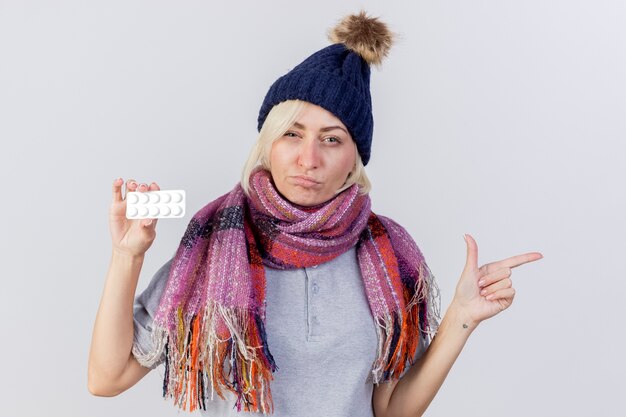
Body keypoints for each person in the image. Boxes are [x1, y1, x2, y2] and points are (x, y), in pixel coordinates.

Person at [88, 11, 543, 417]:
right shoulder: (214, 245)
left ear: (354, 159)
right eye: (292, 133)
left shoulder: (387, 253)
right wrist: (127, 255)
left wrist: (461, 316)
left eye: (331, 139)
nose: (308, 159)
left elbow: (391, 410)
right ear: (268, 143)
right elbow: (108, 379)